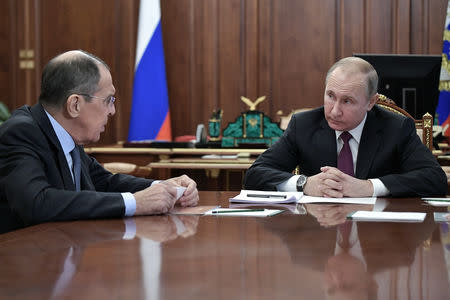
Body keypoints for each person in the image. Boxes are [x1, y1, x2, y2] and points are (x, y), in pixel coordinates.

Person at [0, 50, 199, 231]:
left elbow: (103, 182)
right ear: (75, 104)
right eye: (108, 100)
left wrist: (164, 187)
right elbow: (38, 203)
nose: (112, 111)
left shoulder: (66, 133)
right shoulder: (21, 133)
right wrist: (134, 203)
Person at [244, 56, 447, 197]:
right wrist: (304, 183)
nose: (334, 111)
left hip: (379, 240)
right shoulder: (304, 125)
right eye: (330, 96)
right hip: (318, 237)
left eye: (347, 101)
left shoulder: (397, 128)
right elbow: (255, 174)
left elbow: (434, 179)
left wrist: (369, 187)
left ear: (371, 102)